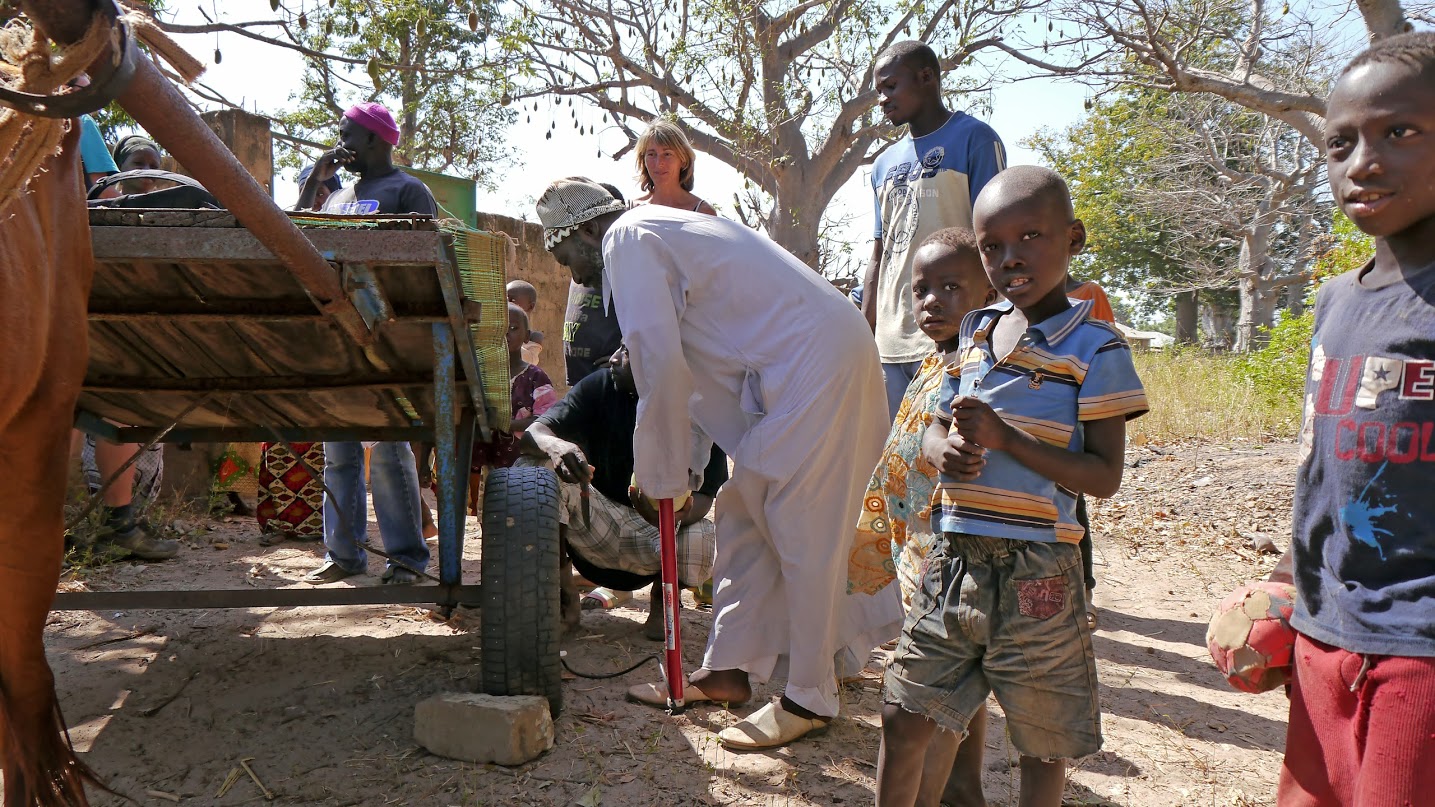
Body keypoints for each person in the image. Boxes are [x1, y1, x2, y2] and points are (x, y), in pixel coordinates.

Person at [537, 177, 901, 750]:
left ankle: (810, 696)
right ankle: (728, 671)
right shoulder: (656, 234)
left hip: (817, 364)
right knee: (743, 516)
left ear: (584, 230)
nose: (572, 275)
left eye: (564, 256)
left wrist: (658, 475)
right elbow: (693, 374)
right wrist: (681, 469)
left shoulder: (628, 237)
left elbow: (659, 367)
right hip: (800, 367)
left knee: (801, 529)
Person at [876, 166, 1148, 807]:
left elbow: (1104, 476)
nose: (1010, 258)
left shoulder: (1096, 347)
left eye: (1030, 237)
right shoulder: (975, 330)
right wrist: (943, 451)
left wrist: (1008, 441)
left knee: (1042, 742)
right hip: (952, 561)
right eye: (992, 246)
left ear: (1073, 239)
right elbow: (937, 424)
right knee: (902, 712)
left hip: (1039, 575)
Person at [1266, 31, 1435, 805]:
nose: (1361, 162)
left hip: (1419, 655)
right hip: (1323, 635)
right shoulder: (1336, 300)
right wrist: (1285, 582)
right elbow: (1322, 470)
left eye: (1399, 132)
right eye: (1340, 143)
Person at [847, 227, 997, 807]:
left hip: (950, 549)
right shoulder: (938, 361)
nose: (932, 301)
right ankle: (965, 788)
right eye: (921, 290)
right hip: (919, 544)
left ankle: (940, 793)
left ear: (989, 293)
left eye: (952, 287)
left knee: (933, 691)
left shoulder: (982, 368)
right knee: (960, 682)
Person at [302, 103, 436, 586]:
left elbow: (425, 266)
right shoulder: (338, 197)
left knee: (389, 453)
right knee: (338, 453)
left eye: (348, 136)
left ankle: (406, 559)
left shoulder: (408, 190)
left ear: (375, 140)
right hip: (338, 340)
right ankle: (343, 555)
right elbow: (301, 240)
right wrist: (313, 182)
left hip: (388, 341)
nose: (341, 145)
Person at [522, 344, 726, 639]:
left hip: (659, 536)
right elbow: (533, 434)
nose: (614, 358)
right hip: (597, 521)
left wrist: (667, 518)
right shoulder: (600, 385)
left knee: (702, 536)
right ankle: (564, 595)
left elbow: (705, 496)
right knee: (535, 468)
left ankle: (663, 602)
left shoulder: (698, 407)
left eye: (627, 351)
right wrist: (556, 446)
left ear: (659, 362)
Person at [862, 40, 1006, 422]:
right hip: (890, 344)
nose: (882, 100)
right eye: (878, 91)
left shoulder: (975, 139)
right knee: (894, 453)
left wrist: (998, 323)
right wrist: (863, 331)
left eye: (890, 86)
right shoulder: (883, 164)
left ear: (927, 77)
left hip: (956, 334)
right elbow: (879, 254)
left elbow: (995, 238)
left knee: (946, 445)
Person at [1064, 274, 1116, 629]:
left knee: (1073, 503)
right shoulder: (1011, 297)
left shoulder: (1090, 294)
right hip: (1032, 414)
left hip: (1075, 413)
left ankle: (1083, 591)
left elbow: (1105, 354)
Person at [472, 303, 557, 475]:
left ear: (526, 336)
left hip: (520, 469)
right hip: (479, 465)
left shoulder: (536, 378)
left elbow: (545, 420)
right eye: (499, 328)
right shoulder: (480, 374)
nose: (505, 334)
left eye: (513, 328)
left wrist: (505, 424)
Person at [563, 183, 628, 386]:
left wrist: (629, 355)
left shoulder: (624, 267)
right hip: (581, 378)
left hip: (611, 380)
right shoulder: (584, 264)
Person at [635, 119, 717, 214]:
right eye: (651, 154)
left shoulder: (702, 211)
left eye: (667, 154)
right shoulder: (631, 210)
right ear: (643, 160)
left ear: (683, 160)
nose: (659, 163)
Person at [506, 280, 546, 367]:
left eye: (512, 300)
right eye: (505, 299)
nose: (507, 304)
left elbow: (531, 360)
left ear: (530, 306)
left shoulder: (534, 337)